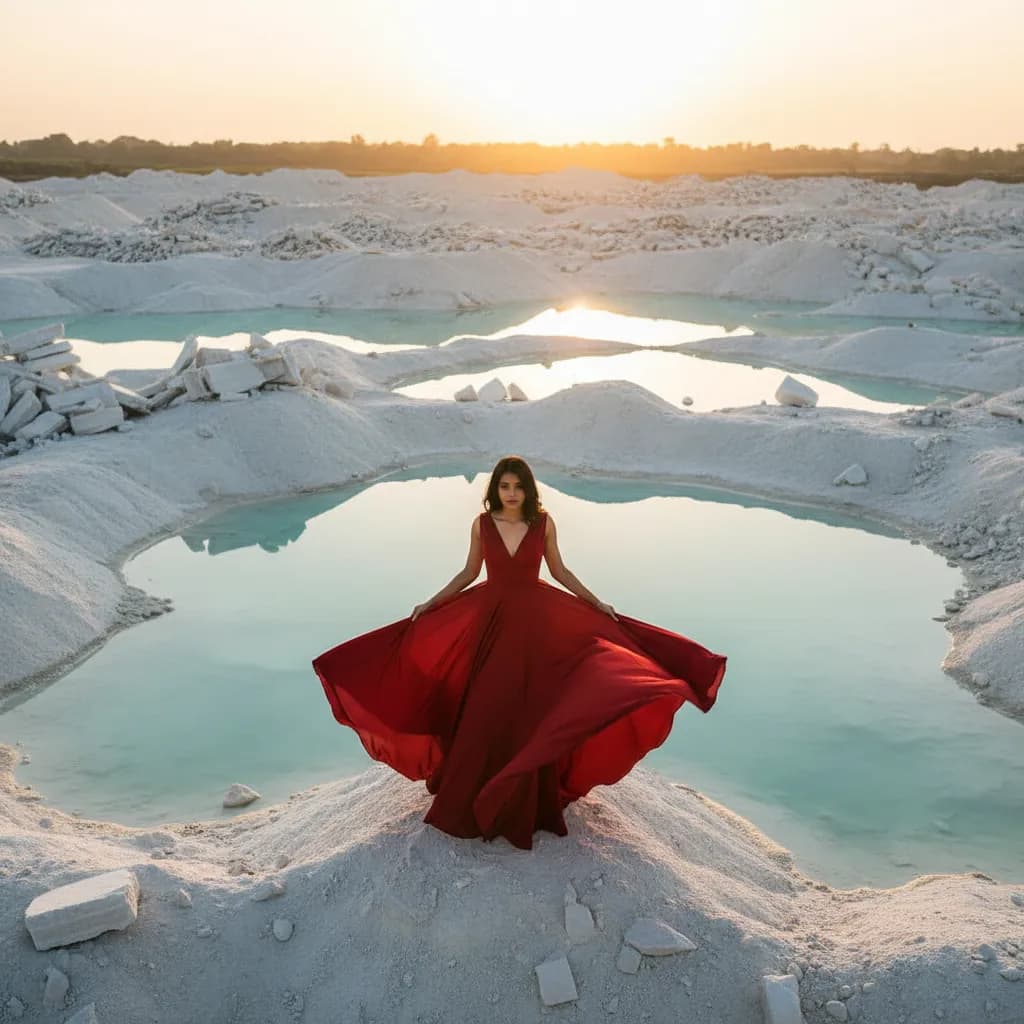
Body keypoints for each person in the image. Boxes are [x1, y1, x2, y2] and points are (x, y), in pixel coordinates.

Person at [313, 455, 727, 850]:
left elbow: (559, 571)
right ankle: (473, 796)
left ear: (529, 490)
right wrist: (432, 603)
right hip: (490, 626)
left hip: (534, 627)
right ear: (496, 489)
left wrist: (596, 602)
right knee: (486, 706)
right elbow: (469, 572)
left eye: (518, 487)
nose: (511, 493)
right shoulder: (481, 523)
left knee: (528, 709)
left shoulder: (543, 523)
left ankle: (526, 801)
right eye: (504, 486)